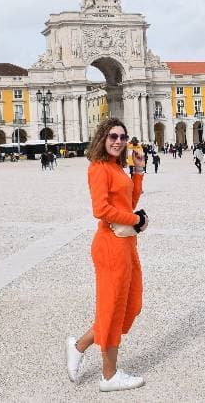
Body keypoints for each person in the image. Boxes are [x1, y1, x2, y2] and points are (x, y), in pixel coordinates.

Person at [67, 117, 148, 392]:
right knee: (112, 308)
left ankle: (78, 346)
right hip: (110, 245)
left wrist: (138, 171)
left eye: (122, 137)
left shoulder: (117, 168)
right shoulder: (98, 168)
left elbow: (130, 202)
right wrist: (135, 220)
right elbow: (100, 210)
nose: (118, 141)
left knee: (131, 304)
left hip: (127, 243)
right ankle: (109, 375)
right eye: (113, 136)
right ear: (103, 137)